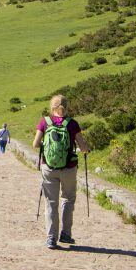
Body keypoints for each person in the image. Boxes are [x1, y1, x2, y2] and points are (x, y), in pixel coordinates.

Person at [32, 94, 90, 250]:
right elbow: (83, 147)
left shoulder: (45, 122)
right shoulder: (72, 124)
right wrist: (86, 149)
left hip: (48, 168)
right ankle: (65, 233)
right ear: (66, 106)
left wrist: (48, 145)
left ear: (52, 107)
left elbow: (35, 144)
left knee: (51, 202)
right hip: (69, 168)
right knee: (68, 198)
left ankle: (51, 238)